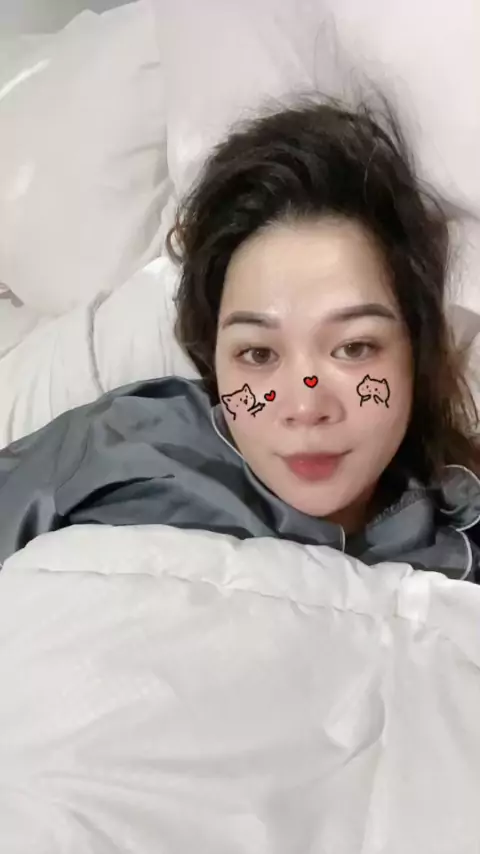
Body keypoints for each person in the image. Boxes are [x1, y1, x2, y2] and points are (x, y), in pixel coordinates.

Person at [1, 97, 480, 581]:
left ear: (415, 348)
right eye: (258, 353)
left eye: (353, 348)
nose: (305, 406)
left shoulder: (461, 541)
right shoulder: (122, 448)